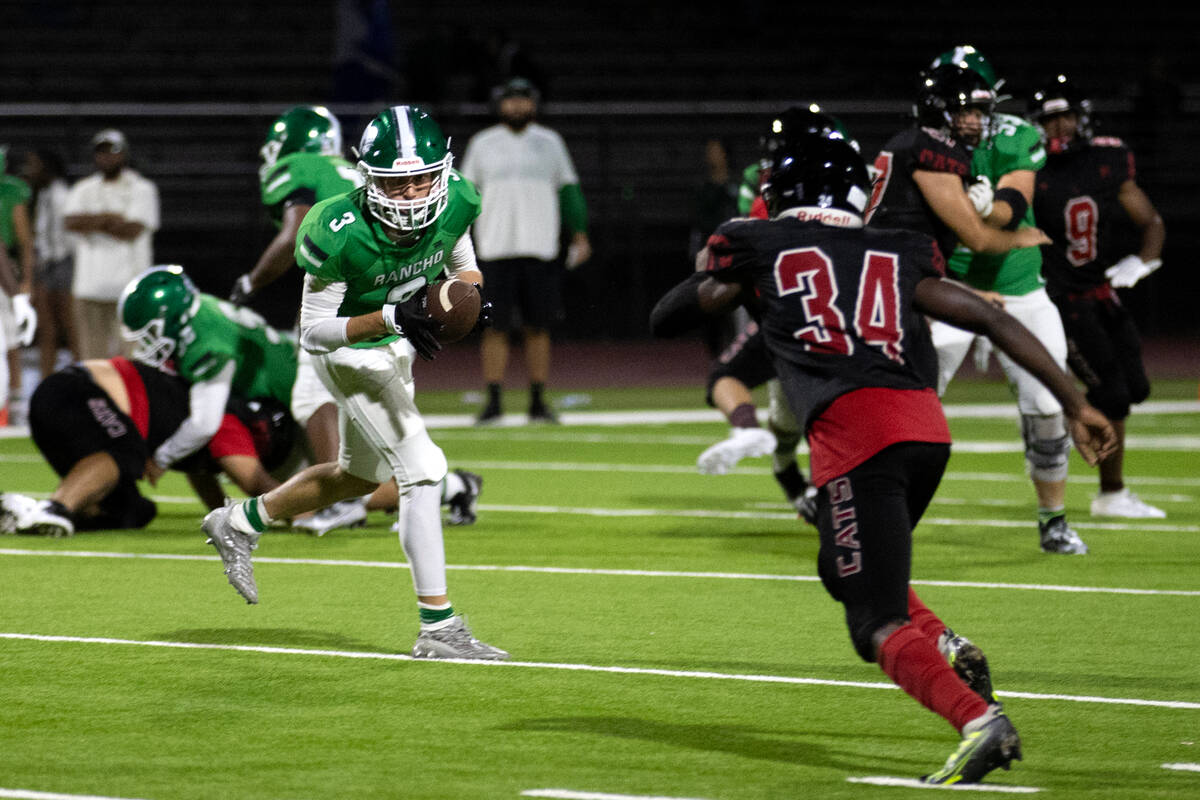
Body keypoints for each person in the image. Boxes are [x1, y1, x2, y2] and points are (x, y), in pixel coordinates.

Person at [650, 127, 1116, 784]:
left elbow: (666, 318)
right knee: (842, 568)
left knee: (872, 619)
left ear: (782, 190)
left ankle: (978, 720)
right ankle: (947, 648)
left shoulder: (759, 241)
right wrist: (1075, 403)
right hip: (926, 431)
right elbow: (991, 317)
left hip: (858, 438)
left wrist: (726, 278)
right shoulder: (896, 247)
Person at [199, 105, 508, 660]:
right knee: (423, 469)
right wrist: (393, 318)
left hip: (395, 343)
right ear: (369, 177)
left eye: (422, 178)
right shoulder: (335, 228)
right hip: (349, 352)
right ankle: (438, 628)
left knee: (357, 478)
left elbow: (460, 254)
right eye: (397, 181)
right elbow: (314, 331)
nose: (413, 194)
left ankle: (240, 521)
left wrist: (470, 293)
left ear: (443, 170)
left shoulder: (458, 197)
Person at [868, 58, 1085, 555]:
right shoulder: (927, 148)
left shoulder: (1011, 136)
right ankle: (880, 510)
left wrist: (993, 209)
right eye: (965, 107)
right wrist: (991, 224)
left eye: (980, 106)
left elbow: (1011, 204)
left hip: (1018, 288)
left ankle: (1053, 520)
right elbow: (977, 234)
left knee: (1048, 405)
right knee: (915, 399)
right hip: (952, 287)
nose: (976, 118)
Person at [122, 265, 483, 536]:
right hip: (278, 401)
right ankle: (454, 487)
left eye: (150, 332)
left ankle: (456, 486)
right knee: (336, 485)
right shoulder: (200, 313)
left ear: (171, 317)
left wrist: (160, 459)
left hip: (290, 402)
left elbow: (204, 422)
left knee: (338, 488)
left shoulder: (206, 340)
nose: (145, 345)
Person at [1028, 74, 1167, 518]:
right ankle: (1111, 492)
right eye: (1050, 120)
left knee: (1137, 388)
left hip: (1102, 293)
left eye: (1066, 116)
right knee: (1112, 394)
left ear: (1082, 117)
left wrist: (1143, 261)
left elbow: (1151, 222)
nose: (1060, 127)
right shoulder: (1030, 171)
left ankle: (1048, 415)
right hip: (1062, 301)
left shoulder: (1108, 159)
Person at [0, 356, 289, 538]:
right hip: (76, 390)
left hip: (66, 403)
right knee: (126, 453)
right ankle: (57, 507)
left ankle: (25, 512)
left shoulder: (204, 416)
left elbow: (202, 476)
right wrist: (310, 509)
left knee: (132, 510)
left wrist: (223, 514)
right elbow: (255, 482)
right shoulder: (228, 420)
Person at [461, 76, 591, 424]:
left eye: (523, 99)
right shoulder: (482, 143)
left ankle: (537, 400)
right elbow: (464, 195)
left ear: (533, 104)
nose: (516, 106)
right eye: (510, 100)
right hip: (493, 246)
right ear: (499, 104)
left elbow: (568, 191)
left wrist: (580, 233)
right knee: (493, 327)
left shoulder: (550, 142)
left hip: (540, 247)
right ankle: (494, 400)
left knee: (539, 326)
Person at [63, 129, 160, 360]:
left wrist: (92, 222)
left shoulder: (142, 188)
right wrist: (109, 218)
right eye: (102, 152)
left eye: (113, 152)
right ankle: (97, 397)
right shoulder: (83, 188)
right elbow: (70, 221)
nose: (107, 157)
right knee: (92, 358)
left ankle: (130, 397)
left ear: (125, 154)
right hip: (89, 287)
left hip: (131, 288)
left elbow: (131, 229)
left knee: (134, 357)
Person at [19, 148, 79, 380]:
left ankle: (80, 375)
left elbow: (69, 238)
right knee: (47, 328)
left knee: (69, 325)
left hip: (63, 262)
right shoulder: (41, 195)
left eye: (34, 164)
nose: (30, 170)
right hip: (46, 264)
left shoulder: (63, 194)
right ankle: (47, 378)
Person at [0, 146, 37, 425]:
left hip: (4, 275)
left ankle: (14, 400)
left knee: (9, 341)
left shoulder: (12, 191)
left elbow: (18, 244)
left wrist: (21, 287)